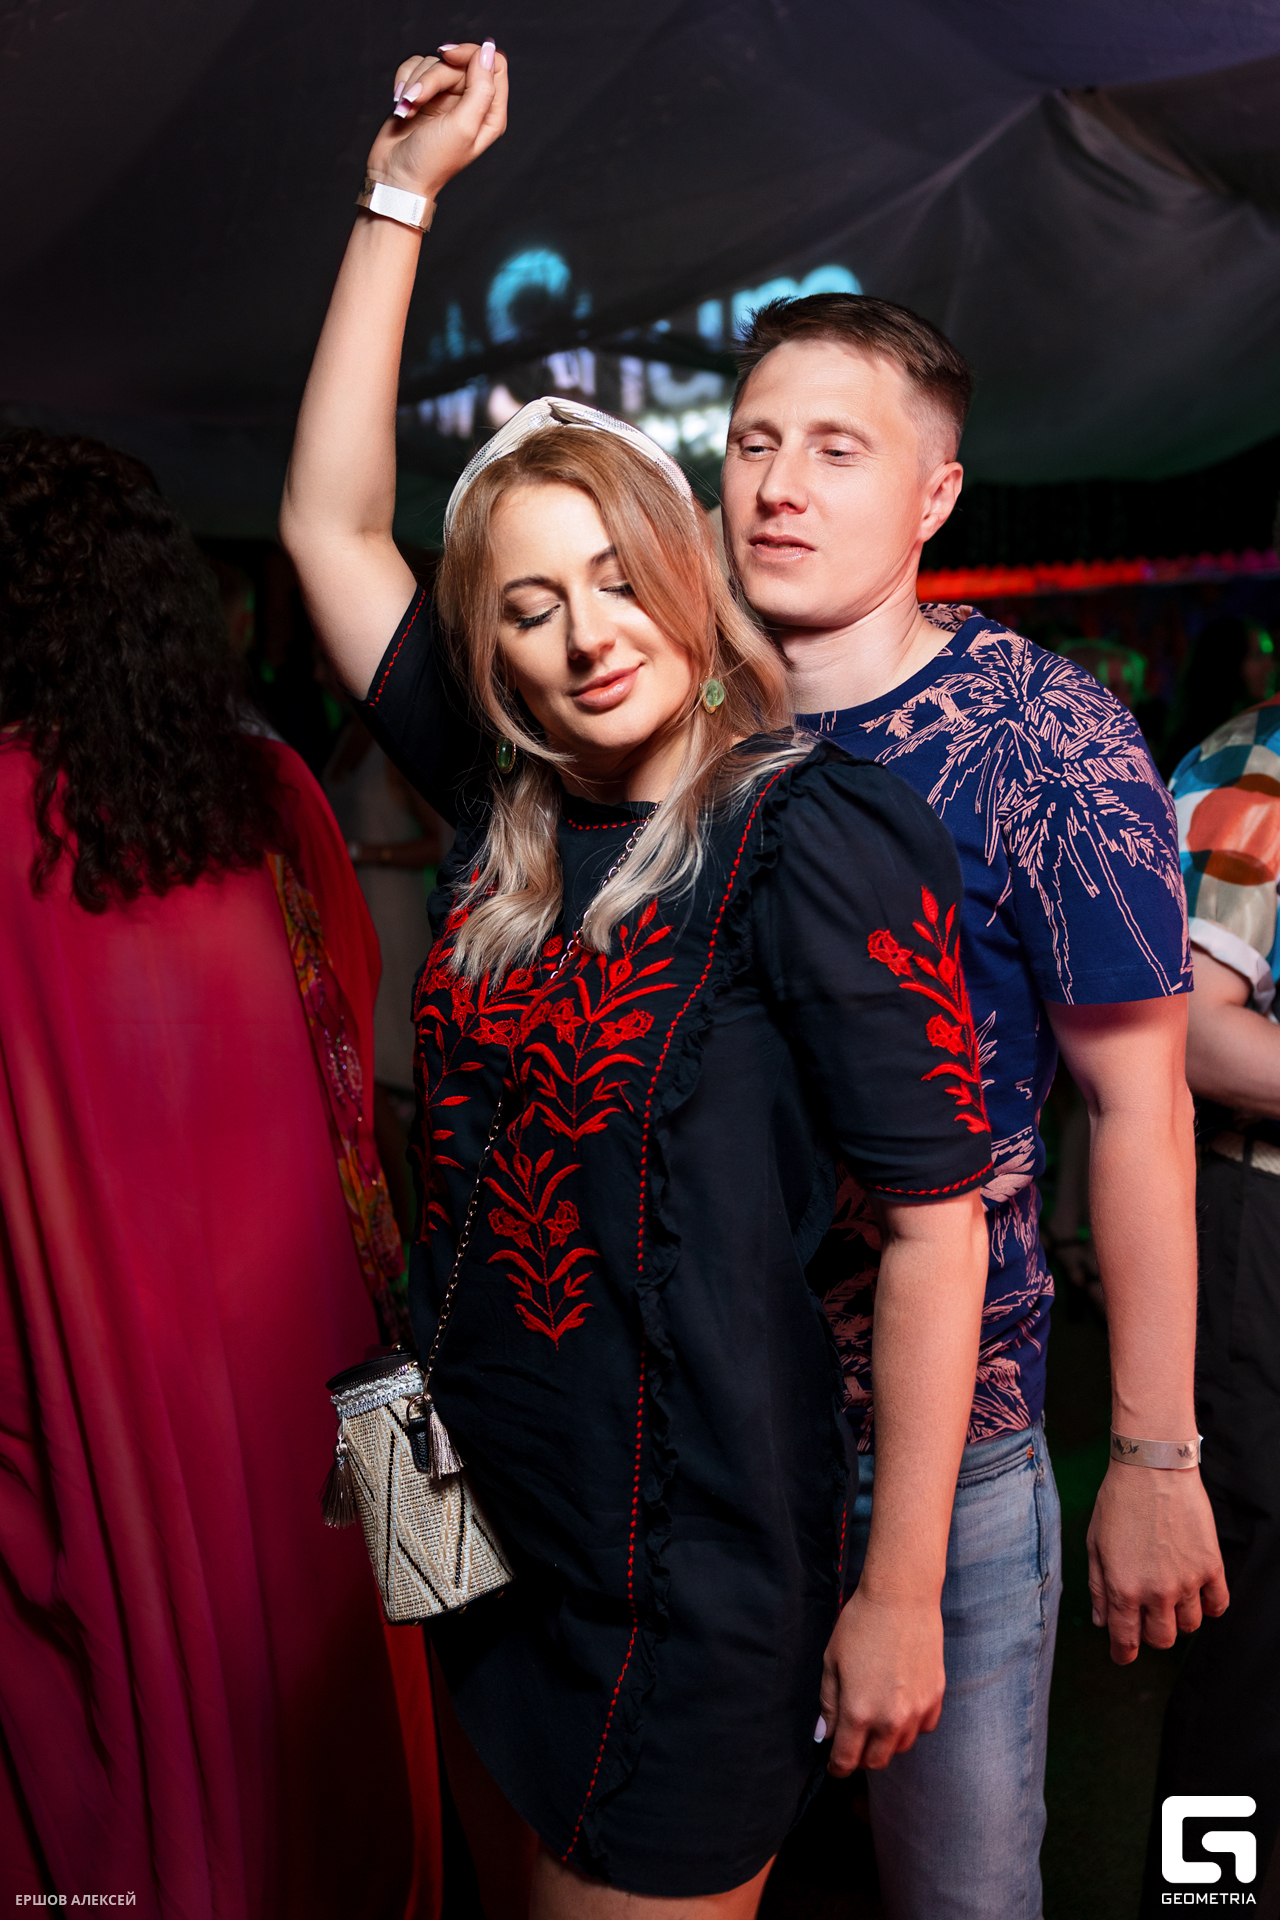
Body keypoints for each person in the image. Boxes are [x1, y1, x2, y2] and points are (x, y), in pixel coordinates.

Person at [280, 44, 994, 1918]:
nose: (586, 636)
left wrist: (900, 1590)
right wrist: (402, 190)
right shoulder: (506, 808)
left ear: (679, 570)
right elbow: (328, 529)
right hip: (459, 1510)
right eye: (529, 607)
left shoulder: (808, 831)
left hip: (685, 1574)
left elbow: (941, 1230)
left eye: (613, 576)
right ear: (491, 656)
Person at [718, 293, 1228, 1920]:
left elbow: (1139, 1110)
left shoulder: (1045, 739)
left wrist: (1151, 1452)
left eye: (836, 448)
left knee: (958, 1898)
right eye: (753, 443)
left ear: (935, 492)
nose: (778, 485)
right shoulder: (667, 709)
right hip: (704, 1443)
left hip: (955, 1461)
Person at [0, 429, 439, 1919]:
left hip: (92, 1368)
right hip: (327, 1350)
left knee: (112, 1715)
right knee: (359, 1697)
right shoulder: (271, 794)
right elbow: (347, 1049)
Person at [1138, 699, 1280, 1907]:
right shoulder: (1256, 766)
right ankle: (1203, 1905)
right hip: (1261, 1222)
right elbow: (1191, 1035)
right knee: (1249, 1644)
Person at [324, 708, 451, 1234]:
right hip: (348, 920)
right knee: (362, 1076)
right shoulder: (343, 739)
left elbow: (440, 841)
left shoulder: (391, 742)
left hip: (392, 922)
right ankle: (397, 1230)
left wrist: (361, 852)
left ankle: (418, 1230)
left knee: (388, 1074)